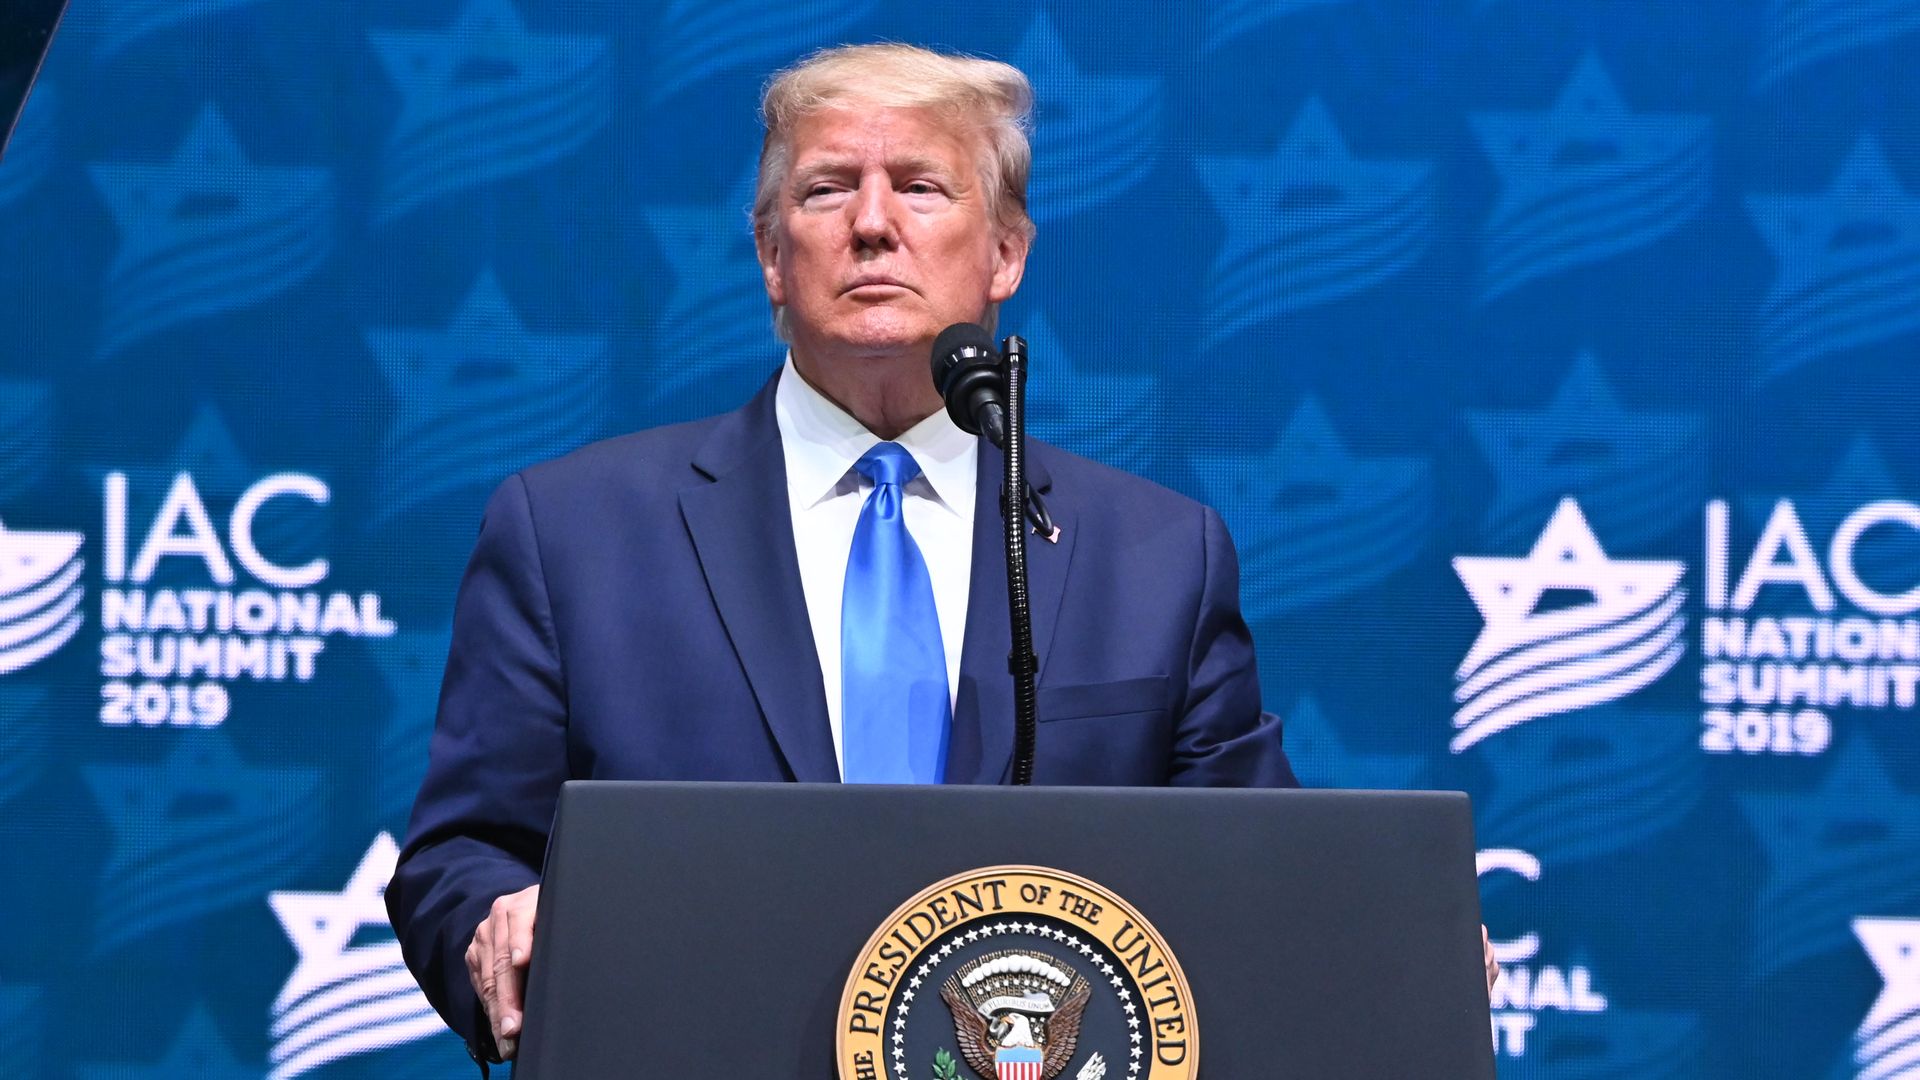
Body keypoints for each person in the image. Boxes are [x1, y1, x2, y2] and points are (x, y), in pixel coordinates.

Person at [388, 43, 1480, 1069]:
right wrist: (496, 923)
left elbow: (1254, 874)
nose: (871, 224)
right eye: (825, 190)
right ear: (771, 256)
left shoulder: (1155, 554)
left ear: (1005, 251)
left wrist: (1388, 948)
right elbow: (460, 856)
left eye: (919, 186)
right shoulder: (573, 529)